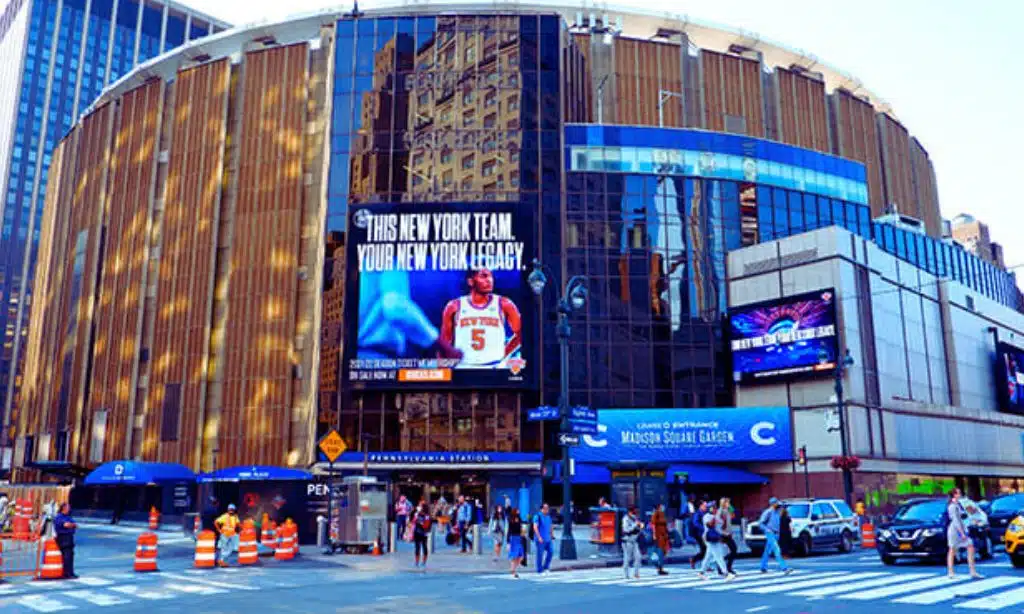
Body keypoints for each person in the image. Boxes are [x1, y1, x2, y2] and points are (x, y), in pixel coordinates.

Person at [440, 268, 523, 369]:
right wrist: (442, 373)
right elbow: (444, 342)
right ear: (470, 281)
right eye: (483, 276)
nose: (489, 280)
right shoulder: (454, 306)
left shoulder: (504, 304)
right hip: (464, 367)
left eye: (491, 276)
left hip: (495, 366)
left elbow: (522, 333)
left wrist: (504, 353)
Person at [947, 488, 982, 579]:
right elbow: (955, 521)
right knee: (953, 549)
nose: (960, 494)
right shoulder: (952, 506)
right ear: (954, 495)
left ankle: (972, 571)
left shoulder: (958, 505)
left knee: (970, 546)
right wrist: (962, 533)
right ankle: (951, 572)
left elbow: (963, 517)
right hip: (955, 531)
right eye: (958, 493)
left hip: (960, 529)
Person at [697, 503, 733, 581]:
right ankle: (726, 573)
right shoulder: (707, 516)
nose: (715, 509)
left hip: (716, 538)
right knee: (718, 556)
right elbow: (709, 525)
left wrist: (725, 534)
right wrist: (715, 519)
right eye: (713, 508)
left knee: (708, 556)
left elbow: (720, 527)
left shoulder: (716, 516)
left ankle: (701, 572)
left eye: (715, 508)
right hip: (711, 538)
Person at [759, 498, 793, 574]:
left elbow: (785, 507)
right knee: (777, 550)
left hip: (776, 534)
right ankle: (784, 568)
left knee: (767, 551)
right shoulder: (768, 512)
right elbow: (761, 523)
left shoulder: (777, 512)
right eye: (777, 503)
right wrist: (767, 530)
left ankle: (763, 567)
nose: (778, 504)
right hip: (770, 533)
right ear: (773, 504)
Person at [54, 503, 78, 579]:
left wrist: (71, 525)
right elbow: (65, 525)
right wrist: (71, 525)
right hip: (63, 538)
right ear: (63, 508)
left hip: (69, 537)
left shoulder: (68, 517)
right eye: (68, 508)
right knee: (66, 556)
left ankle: (71, 572)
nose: (69, 509)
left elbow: (75, 525)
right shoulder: (59, 517)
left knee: (70, 555)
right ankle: (66, 573)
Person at [621, 505, 644, 579]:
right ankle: (626, 574)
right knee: (627, 558)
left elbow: (638, 529)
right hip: (627, 541)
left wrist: (640, 526)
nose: (636, 512)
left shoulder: (635, 518)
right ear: (631, 511)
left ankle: (636, 573)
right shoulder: (626, 519)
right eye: (635, 510)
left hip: (634, 541)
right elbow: (626, 530)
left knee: (638, 557)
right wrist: (635, 525)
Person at [717, 497, 738, 576]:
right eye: (727, 502)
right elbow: (718, 523)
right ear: (723, 503)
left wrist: (730, 508)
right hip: (722, 534)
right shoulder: (720, 511)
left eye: (729, 502)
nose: (729, 504)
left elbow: (733, 516)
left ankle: (726, 567)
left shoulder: (728, 511)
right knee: (724, 552)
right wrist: (722, 533)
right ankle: (723, 568)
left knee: (733, 550)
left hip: (728, 534)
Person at [532, 502, 554, 574]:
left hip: (548, 538)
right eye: (545, 508)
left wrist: (552, 535)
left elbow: (550, 526)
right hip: (540, 539)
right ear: (541, 509)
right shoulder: (537, 516)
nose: (546, 510)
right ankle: (539, 569)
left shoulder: (548, 517)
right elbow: (535, 527)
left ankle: (546, 566)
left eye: (547, 508)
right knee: (540, 554)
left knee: (551, 551)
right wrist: (539, 537)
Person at [651, 503, 670, 576]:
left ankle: (659, 567)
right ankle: (659, 567)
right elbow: (653, 524)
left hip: (664, 536)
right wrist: (654, 535)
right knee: (659, 552)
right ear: (659, 507)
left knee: (661, 552)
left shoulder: (662, 514)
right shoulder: (656, 513)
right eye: (662, 506)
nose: (663, 507)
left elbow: (665, 525)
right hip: (659, 536)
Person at [412, 503, 432, 569]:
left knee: (424, 547)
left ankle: (424, 562)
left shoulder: (427, 516)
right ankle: (416, 562)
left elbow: (426, 525)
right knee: (417, 547)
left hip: (423, 533)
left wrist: (419, 522)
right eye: (419, 506)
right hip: (417, 532)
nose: (419, 507)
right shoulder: (417, 514)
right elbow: (413, 521)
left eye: (420, 506)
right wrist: (416, 518)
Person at [689, 500, 708, 568]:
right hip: (699, 534)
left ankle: (695, 560)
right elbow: (696, 523)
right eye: (705, 506)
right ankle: (695, 560)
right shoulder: (698, 513)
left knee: (705, 550)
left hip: (704, 534)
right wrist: (704, 528)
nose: (706, 507)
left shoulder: (705, 513)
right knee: (705, 549)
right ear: (700, 506)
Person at [507, 507, 524, 578]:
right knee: (514, 555)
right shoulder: (511, 520)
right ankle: (514, 570)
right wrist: (508, 542)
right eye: (517, 511)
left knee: (521, 556)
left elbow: (521, 528)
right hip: (513, 538)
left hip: (518, 538)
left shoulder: (519, 519)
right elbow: (509, 530)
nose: (518, 512)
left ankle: (513, 569)